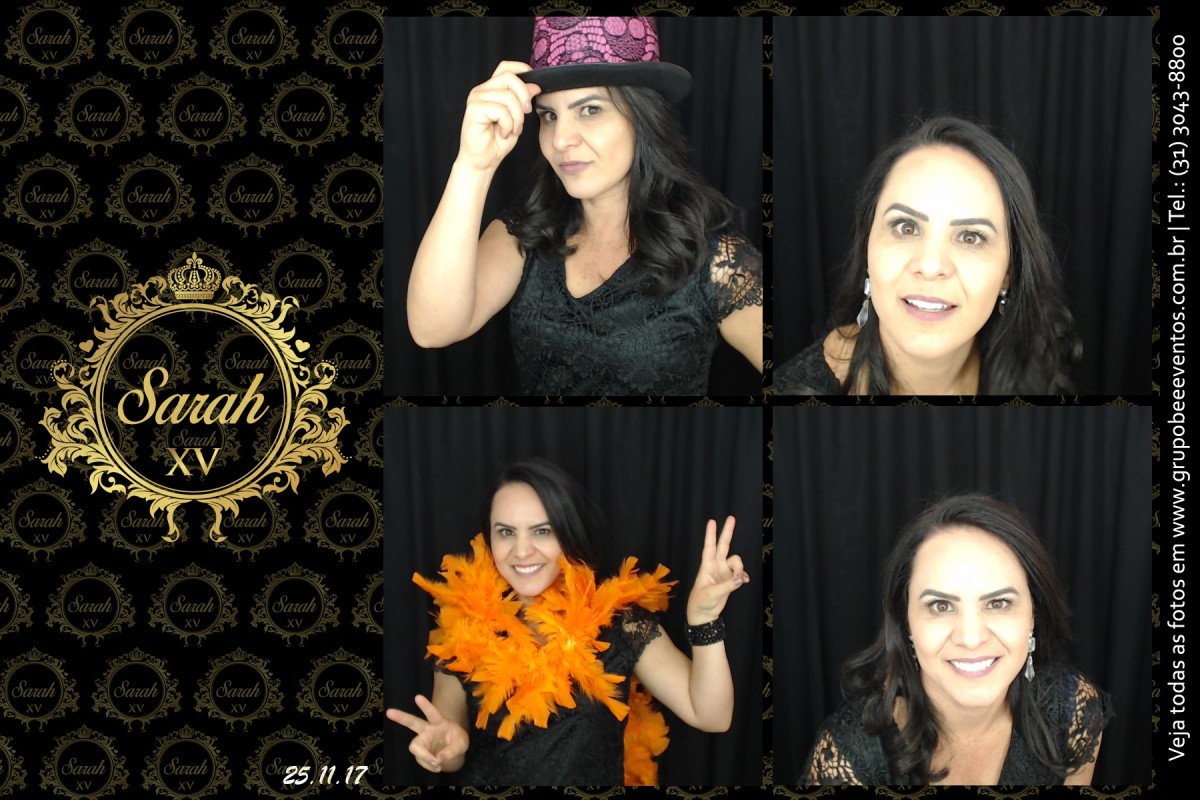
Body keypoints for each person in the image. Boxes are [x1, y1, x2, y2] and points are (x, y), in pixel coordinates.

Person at [405, 17, 763, 395]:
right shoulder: (529, 231)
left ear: (644, 119)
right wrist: (473, 165)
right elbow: (432, 329)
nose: (561, 139)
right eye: (549, 115)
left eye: (590, 110)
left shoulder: (716, 260)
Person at [386, 459, 749, 785]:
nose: (522, 550)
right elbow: (449, 747)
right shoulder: (462, 630)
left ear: (568, 532)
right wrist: (445, 749)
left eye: (542, 530)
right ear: (489, 538)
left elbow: (712, 716)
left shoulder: (621, 625)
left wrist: (704, 620)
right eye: (506, 532)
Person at [803, 494, 1111, 785]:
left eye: (999, 603)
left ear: (1034, 615)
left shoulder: (1071, 709)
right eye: (941, 606)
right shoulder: (849, 758)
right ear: (906, 623)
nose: (971, 638)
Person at [774, 116, 1080, 395]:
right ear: (867, 248)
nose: (931, 266)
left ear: (1008, 274)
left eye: (970, 237)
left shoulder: (1038, 377)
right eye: (906, 227)